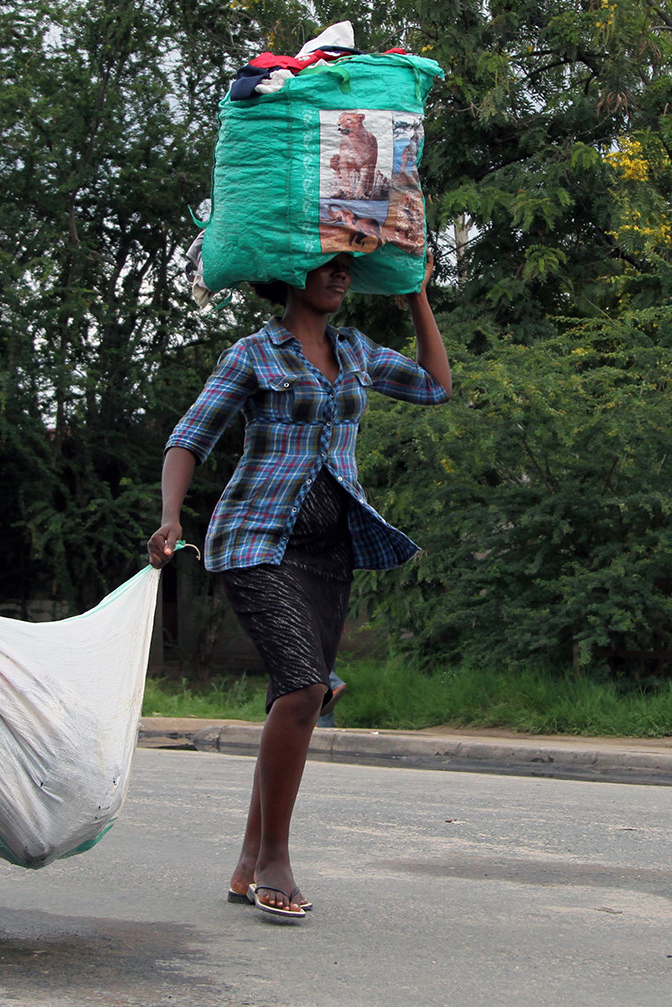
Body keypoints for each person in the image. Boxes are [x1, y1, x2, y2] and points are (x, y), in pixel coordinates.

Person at [147, 252, 450, 922]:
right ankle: (277, 860)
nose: (340, 275)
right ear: (290, 272)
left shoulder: (357, 351)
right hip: (255, 541)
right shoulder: (253, 354)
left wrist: (416, 297)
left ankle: (248, 862)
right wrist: (171, 517)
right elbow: (189, 438)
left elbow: (436, 385)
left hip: (330, 550)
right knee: (306, 684)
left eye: (348, 267)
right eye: (325, 266)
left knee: (300, 698)